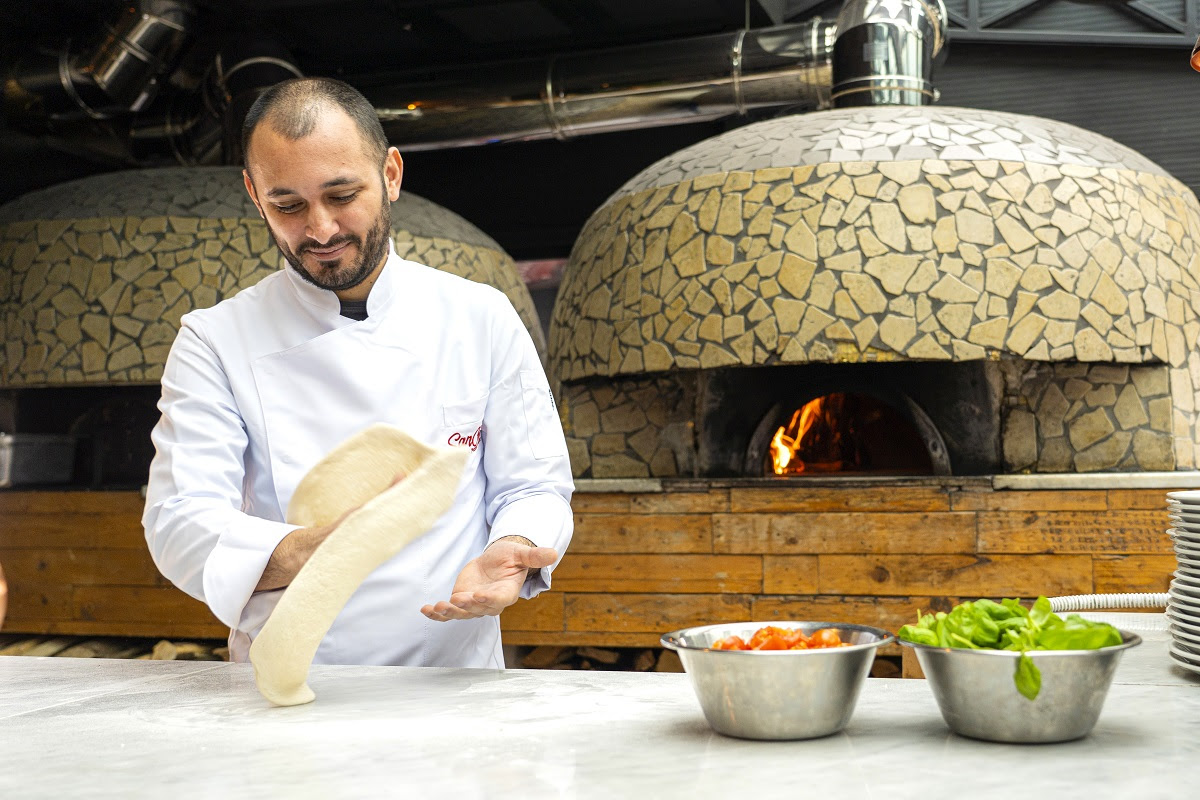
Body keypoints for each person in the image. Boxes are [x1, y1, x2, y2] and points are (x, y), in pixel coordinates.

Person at [142, 77, 574, 668]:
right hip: (291, 698)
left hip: (454, 694)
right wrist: (314, 551)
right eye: (287, 205)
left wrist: (512, 544)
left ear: (391, 175)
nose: (319, 230)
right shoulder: (215, 341)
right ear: (252, 192)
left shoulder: (481, 316)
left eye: (342, 195)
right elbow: (180, 521)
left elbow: (533, 484)